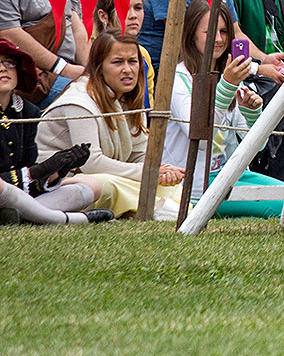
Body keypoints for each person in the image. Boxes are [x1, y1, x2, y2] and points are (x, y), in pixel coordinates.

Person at [162, 1, 284, 218]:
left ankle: (237, 214)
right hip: (195, 187)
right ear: (190, 35)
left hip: (231, 177)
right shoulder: (178, 79)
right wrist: (227, 85)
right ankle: (230, 213)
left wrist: (251, 113)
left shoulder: (228, 74)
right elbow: (199, 138)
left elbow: (256, 147)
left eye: (224, 32)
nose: (218, 39)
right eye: (209, 32)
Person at [37, 32, 183, 218]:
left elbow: (139, 153)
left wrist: (162, 172)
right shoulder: (79, 101)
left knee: (170, 187)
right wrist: (147, 171)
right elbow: (91, 163)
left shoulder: (128, 99)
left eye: (132, 61)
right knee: (106, 185)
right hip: (62, 182)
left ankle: (156, 208)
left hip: (105, 175)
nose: (127, 69)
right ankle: (34, 210)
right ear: (99, 68)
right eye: (117, 62)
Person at [0, 41, 113, 226]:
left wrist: (58, 170)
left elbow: (29, 182)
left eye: (9, 63)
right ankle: (69, 219)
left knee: (88, 188)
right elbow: (24, 176)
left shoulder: (28, 112)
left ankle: (21, 216)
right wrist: (38, 171)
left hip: (18, 197)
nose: (3, 69)